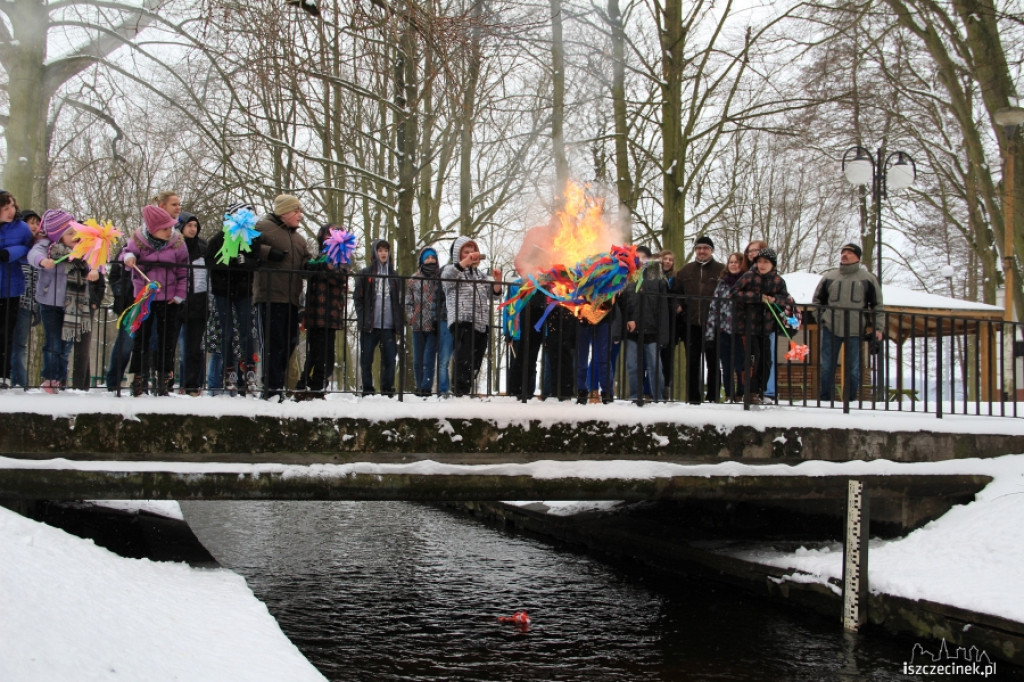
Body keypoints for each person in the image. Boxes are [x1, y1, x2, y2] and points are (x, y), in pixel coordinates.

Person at [29, 210, 101, 393]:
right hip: (50, 302)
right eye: (69, 233)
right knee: (53, 342)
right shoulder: (47, 247)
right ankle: (51, 377)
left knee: (66, 343)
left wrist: (94, 270)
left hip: (73, 304)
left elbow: (95, 260)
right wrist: (42, 261)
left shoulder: (82, 249)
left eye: (76, 232)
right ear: (57, 236)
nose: (75, 237)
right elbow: (33, 254)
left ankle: (60, 378)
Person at [121, 204, 188, 396]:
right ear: (152, 229)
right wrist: (130, 257)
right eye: (164, 228)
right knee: (142, 337)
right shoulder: (138, 239)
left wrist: (179, 295)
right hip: (145, 296)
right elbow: (125, 252)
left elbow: (184, 269)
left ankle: (164, 378)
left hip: (169, 297)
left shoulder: (178, 241)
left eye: (170, 227)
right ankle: (138, 377)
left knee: (167, 338)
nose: (169, 231)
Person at [253, 194, 311, 401]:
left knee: (290, 342)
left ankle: (278, 386)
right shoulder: (262, 227)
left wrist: (315, 266)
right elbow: (245, 248)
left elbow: (306, 262)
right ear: (284, 212)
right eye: (296, 211)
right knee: (271, 344)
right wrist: (268, 252)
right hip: (270, 296)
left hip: (292, 299)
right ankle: (271, 388)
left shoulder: (299, 239)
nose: (300, 216)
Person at [813, 243, 883, 403]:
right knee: (827, 367)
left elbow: (878, 305)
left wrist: (878, 328)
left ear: (857, 257)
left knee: (853, 369)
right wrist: (821, 319)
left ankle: (849, 401)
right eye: (843, 252)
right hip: (831, 327)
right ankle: (825, 400)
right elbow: (817, 300)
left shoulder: (868, 279)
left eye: (849, 252)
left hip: (856, 329)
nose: (845, 255)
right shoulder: (829, 277)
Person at [207, 202, 261, 396]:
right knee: (227, 331)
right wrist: (228, 262)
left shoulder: (251, 240)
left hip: (243, 292)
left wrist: (243, 262)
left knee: (247, 330)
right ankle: (229, 370)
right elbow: (210, 261)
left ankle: (249, 369)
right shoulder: (219, 239)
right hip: (222, 290)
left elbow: (256, 260)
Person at [730, 248, 796, 405]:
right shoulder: (748, 276)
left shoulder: (779, 281)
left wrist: (774, 300)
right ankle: (750, 391)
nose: (762, 265)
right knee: (753, 358)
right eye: (759, 261)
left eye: (765, 262)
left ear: (772, 264)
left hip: (767, 327)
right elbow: (734, 293)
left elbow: (785, 299)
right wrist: (758, 298)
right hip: (748, 325)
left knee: (767, 360)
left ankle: (761, 390)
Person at [441, 236, 502, 397]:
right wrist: (465, 263)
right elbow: (447, 280)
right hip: (463, 322)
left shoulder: (481, 275)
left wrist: (497, 281)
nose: (470, 255)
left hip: (481, 324)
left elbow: (495, 296)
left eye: (472, 251)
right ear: (458, 255)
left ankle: (466, 392)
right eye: (465, 252)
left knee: (475, 362)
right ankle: (459, 393)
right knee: (463, 360)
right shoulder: (451, 270)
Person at [295, 223, 350, 399]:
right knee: (315, 351)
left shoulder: (341, 258)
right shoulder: (319, 257)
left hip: (331, 312)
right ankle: (306, 385)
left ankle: (317, 384)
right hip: (315, 312)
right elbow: (307, 270)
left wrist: (320, 268)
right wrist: (318, 267)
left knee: (327, 352)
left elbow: (339, 277)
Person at [674, 236, 725, 403]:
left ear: (711, 250)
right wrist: (679, 306)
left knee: (713, 363)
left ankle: (713, 398)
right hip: (691, 324)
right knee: (693, 364)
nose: (702, 251)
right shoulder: (685, 271)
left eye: (705, 248)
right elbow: (676, 293)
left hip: (713, 324)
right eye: (699, 248)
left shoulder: (721, 270)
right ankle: (693, 399)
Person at [353, 239, 403, 396]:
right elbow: (358, 298)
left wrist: (398, 323)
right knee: (366, 359)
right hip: (370, 325)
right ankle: (367, 390)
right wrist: (362, 318)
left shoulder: (394, 276)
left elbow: (399, 302)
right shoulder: (365, 273)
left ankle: (387, 390)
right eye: (380, 250)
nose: (383, 253)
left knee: (390, 360)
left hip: (389, 326)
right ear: (375, 252)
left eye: (386, 250)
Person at [624, 245, 670, 402]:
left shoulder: (658, 279)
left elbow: (663, 307)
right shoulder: (628, 277)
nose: (640, 260)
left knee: (655, 367)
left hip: (652, 330)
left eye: (643, 257)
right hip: (632, 330)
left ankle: (658, 398)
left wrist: (664, 334)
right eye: (637, 257)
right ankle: (634, 396)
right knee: (632, 367)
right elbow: (624, 303)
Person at [0, 192, 34, 387]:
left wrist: (10, 253)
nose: (11, 211)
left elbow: (30, 249)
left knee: (6, 333)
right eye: (5, 208)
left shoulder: (21, 228)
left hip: (11, 287)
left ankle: (4, 374)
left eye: (12, 206)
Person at [705, 252, 748, 402]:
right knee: (727, 365)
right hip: (724, 330)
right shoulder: (722, 284)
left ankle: (741, 393)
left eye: (737, 262)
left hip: (742, 331)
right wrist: (710, 332)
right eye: (731, 262)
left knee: (741, 365)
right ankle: (730, 394)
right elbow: (713, 308)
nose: (734, 265)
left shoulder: (747, 282)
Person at [176, 212, 208, 396]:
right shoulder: (175, 246)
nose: (193, 229)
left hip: (198, 303)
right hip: (178, 301)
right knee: (175, 346)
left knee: (195, 347)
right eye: (189, 225)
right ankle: (168, 381)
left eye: (195, 226)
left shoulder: (203, 246)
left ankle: (193, 384)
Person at [405, 246, 442, 396]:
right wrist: (411, 317)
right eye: (427, 258)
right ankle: (418, 387)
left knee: (429, 359)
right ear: (422, 260)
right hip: (418, 325)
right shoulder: (414, 280)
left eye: (433, 257)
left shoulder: (440, 278)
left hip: (433, 326)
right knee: (417, 360)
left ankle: (426, 388)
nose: (430, 260)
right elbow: (408, 301)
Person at [11, 209, 42, 388]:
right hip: (15, 298)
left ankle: (19, 381)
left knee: (21, 344)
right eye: (31, 222)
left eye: (37, 223)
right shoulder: (19, 245)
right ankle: (17, 381)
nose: (35, 226)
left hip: (29, 303)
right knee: (15, 344)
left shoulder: (40, 248)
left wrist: (37, 305)